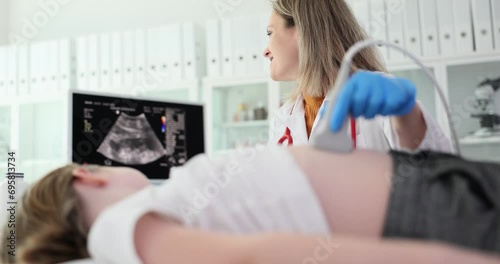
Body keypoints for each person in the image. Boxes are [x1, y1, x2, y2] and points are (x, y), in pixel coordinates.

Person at [2, 145, 500, 264]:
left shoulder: (154, 213)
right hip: (438, 219)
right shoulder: (114, 232)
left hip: (437, 195)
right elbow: (258, 254)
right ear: (83, 174)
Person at [264, 0, 451, 153]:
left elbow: (435, 172)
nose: (265, 51)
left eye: (270, 33)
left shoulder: (377, 96)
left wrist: (407, 115)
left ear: (302, 31)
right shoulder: (283, 118)